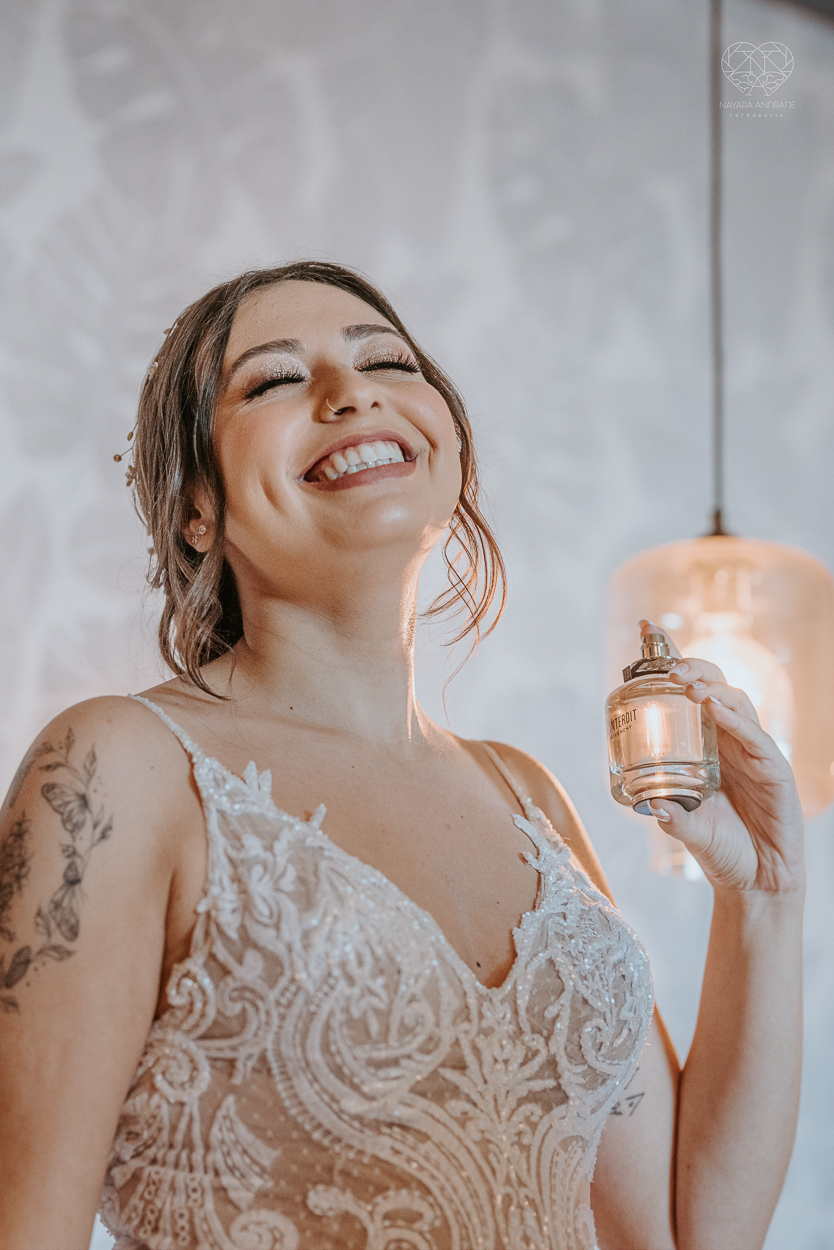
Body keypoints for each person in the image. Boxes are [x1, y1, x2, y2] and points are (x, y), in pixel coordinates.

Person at [0, 261, 804, 1250]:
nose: (352, 392)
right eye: (274, 379)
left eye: (388, 360)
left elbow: (689, 1233)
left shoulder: (527, 795)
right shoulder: (119, 768)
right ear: (195, 507)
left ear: (451, 445)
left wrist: (764, 896)